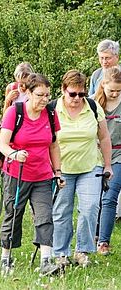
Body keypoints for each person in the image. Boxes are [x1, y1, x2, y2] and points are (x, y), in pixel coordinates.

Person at [0, 73, 64, 275]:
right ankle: (6, 258)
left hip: (43, 175)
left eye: (47, 95)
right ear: (27, 93)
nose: (44, 99)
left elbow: (54, 146)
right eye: (40, 95)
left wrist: (58, 172)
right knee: (13, 214)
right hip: (17, 174)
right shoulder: (14, 112)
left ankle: (46, 261)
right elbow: (2, 144)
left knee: (45, 217)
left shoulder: (51, 114)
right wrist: (14, 153)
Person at [52, 70, 113, 267]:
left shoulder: (93, 107)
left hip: (90, 166)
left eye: (81, 94)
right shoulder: (53, 109)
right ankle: (61, 252)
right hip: (62, 168)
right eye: (72, 94)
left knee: (90, 208)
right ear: (63, 90)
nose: (77, 98)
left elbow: (104, 137)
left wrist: (108, 165)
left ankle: (82, 250)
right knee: (62, 210)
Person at [94, 67, 121, 255]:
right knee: (94, 199)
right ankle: (94, 235)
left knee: (110, 196)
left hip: (119, 155)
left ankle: (103, 242)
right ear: (103, 85)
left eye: (119, 91)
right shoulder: (94, 104)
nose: (115, 93)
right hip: (96, 155)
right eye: (111, 90)